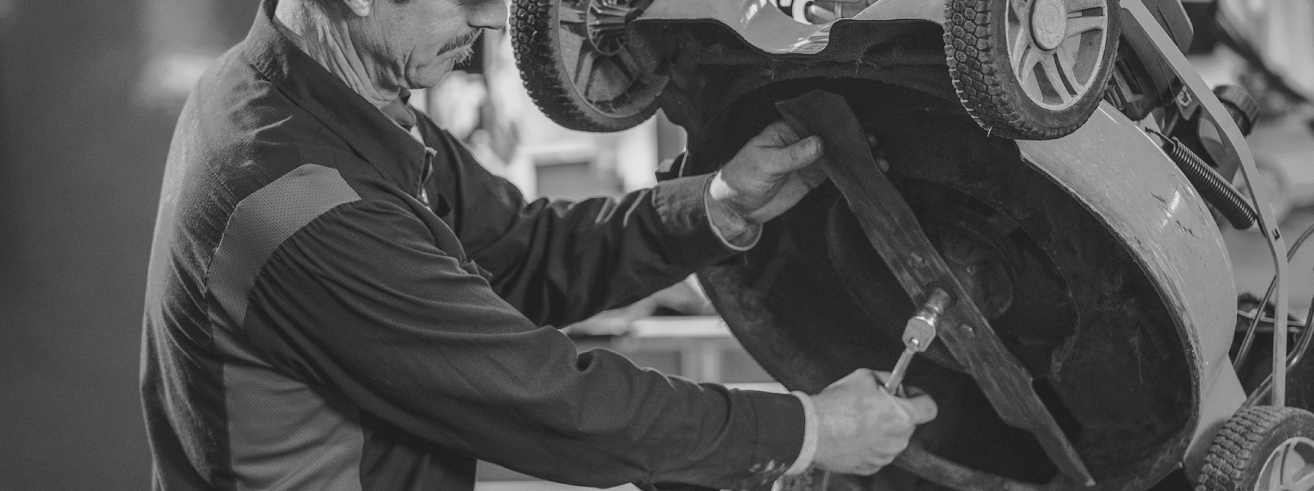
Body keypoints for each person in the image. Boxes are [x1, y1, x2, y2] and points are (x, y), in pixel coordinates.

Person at [140, 0, 937, 489]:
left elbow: (518, 254)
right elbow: (551, 401)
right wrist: (809, 432)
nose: (493, 20)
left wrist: (715, 205)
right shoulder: (298, 205)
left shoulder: (335, 101)